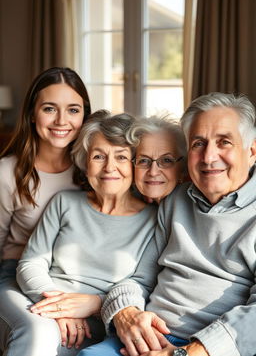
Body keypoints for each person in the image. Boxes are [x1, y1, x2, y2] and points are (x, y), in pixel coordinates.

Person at [79, 92, 256, 356]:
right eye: (198, 143)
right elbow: (141, 277)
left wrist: (190, 352)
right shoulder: (176, 200)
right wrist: (125, 311)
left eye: (224, 142)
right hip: (147, 336)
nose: (209, 157)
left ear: (251, 151)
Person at [13, 110, 161, 356]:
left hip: (102, 319)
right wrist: (60, 309)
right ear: (85, 162)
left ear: (135, 164)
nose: (109, 167)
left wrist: (94, 306)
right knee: (38, 336)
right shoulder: (65, 202)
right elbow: (31, 263)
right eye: (98, 156)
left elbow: (142, 285)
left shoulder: (154, 220)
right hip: (41, 301)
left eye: (122, 157)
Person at [0, 66, 91, 355]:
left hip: (77, 279)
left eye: (73, 110)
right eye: (50, 109)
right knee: (39, 330)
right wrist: (57, 305)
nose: (62, 121)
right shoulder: (7, 174)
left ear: (85, 116)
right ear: (31, 114)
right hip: (15, 277)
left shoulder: (95, 170)